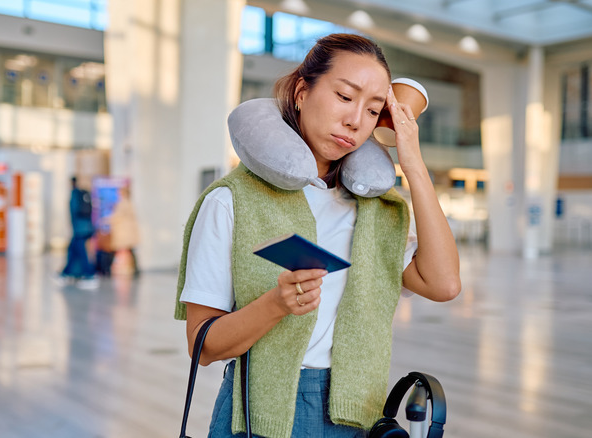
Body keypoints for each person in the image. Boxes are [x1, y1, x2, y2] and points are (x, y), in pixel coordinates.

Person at [174, 34, 461, 437]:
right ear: (301, 91)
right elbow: (201, 346)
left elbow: (444, 283)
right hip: (262, 413)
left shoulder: (377, 209)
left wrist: (413, 164)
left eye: (373, 109)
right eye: (345, 96)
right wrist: (275, 304)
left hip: (356, 410)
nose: (355, 120)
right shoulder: (231, 200)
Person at [59, 176, 98, 289]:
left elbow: (73, 212)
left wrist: (73, 227)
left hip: (79, 229)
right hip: (87, 227)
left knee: (81, 252)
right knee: (73, 251)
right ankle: (65, 274)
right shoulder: (85, 194)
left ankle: (90, 275)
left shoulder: (74, 194)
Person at [108, 185, 140, 276]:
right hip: (128, 232)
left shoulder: (123, 203)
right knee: (130, 250)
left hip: (124, 232)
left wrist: (106, 220)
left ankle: (110, 269)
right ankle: (135, 269)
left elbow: (117, 216)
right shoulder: (129, 203)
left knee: (121, 250)